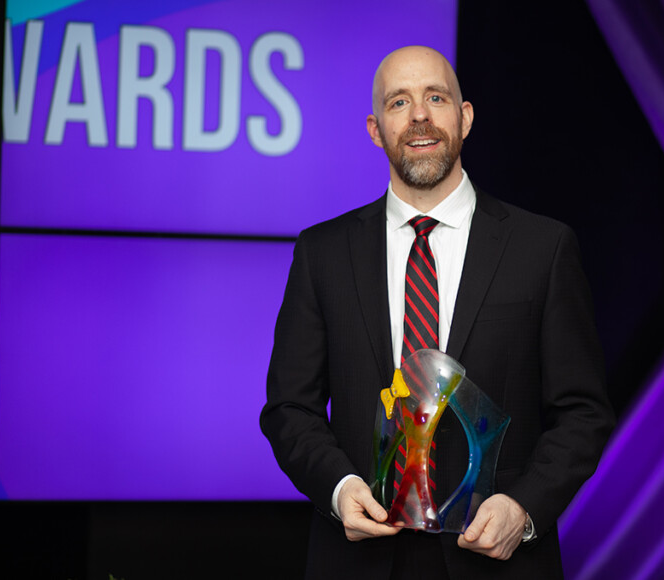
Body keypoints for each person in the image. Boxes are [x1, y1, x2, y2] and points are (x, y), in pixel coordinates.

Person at [260, 45, 614, 579]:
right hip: (358, 559)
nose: (420, 115)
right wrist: (338, 490)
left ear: (464, 117)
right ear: (375, 129)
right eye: (398, 102)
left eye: (435, 97)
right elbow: (290, 408)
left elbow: (584, 412)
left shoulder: (543, 248)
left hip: (497, 562)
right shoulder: (323, 253)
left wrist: (524, 508)